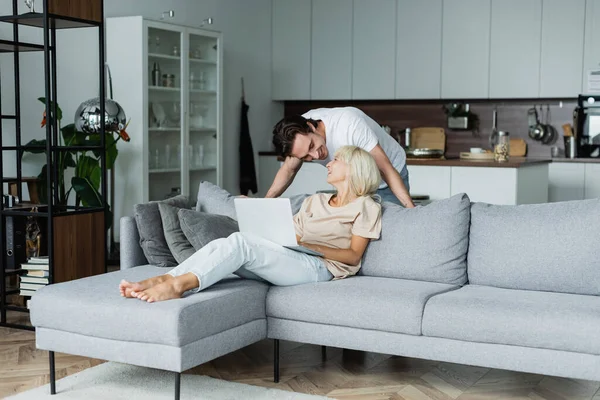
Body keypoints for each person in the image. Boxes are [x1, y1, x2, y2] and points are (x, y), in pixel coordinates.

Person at [119, 145, 383, 303]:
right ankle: (165, 278)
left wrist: (310, 246)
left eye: (337, 160)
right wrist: (269, 223)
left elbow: (353, 256)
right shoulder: (317, 201)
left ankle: (178, 286)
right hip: (293, 257)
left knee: (241, 243)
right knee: (228, 242)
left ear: (353, 169)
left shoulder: (367, 206)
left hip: (320, 268)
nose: (329, 163)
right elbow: (289, 231)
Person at [267, 106, 415, 208]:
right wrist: (265, 203)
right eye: (305, 157)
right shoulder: (296, 137)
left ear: (311, 127)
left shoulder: (348, 125)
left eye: (312, 146)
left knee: (393, 228)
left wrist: (411, 210)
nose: (315, 155)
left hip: (387, 176)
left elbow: (386, 169)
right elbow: (288, 170)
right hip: (355, 184)